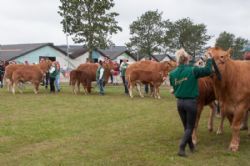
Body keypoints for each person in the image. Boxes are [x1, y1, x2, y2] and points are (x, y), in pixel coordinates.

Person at [169, 48, 212, 157]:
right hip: (191, 103)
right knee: (190, 128)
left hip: (179, 103)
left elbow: (174, 88)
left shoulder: (172, 73)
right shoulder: (193, 70)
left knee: (186, 127)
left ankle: (191, 146)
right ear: (187, 59)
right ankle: (181, 147)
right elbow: (208, 71)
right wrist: (210, 59)